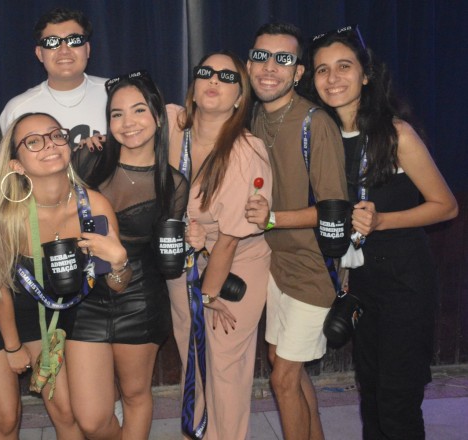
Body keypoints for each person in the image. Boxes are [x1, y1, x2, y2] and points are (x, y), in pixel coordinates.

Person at [304, 26, 458, 439]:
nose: (332, 78)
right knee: (370, 395)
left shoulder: (395, 134)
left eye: (344, 66)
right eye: (322, 69)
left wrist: (382, 221)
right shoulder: (323, 137)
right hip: (362, 282)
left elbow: (446, 205)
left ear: (366, 74)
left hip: (404, 280)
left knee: (396, 401)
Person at [0, 111, 130, 440]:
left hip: (50, 314)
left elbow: (117, 286)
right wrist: (13, 347)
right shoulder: (6, 215)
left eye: (56, 135)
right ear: (16, 164)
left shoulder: (94, 207)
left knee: (68, 411)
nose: (50, 144)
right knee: (11, 416)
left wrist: (120, 264)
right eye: (33, 142)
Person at [66, 71, 188, 439]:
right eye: (117, 114)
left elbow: (166, 251)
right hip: (85, 296)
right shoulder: (87, 161)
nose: (127, 122)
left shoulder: (173, 184)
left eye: (138, 110)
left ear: (158, 117)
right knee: (91, 419)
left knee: (135, 395)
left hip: (139, 297)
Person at [244, 22, 348, 440]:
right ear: (249, 64)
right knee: (282, 363)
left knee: (283, 378)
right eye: (261, 56)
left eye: (283, 59)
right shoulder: (253, 115)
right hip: (275, 264)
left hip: (312, 268)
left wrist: (272, 218)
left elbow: (333, 210)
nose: (270, 67)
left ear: (298, 71)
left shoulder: (314, 123)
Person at [165, 51, 273, 440]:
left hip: (235, 262)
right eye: (206, 73)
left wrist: (209, 295)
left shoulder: (246, 151)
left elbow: (229, 239)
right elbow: (125, 121)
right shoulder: (172, 125)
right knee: (192, 356)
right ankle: (196, 432)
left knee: (225, 367)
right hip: (184, 258)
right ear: (193, 88)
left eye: (228, 77)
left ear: (240, 98)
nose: (214, 80)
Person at [0, 7, 107, 142]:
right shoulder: (17, 109)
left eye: (74, 40)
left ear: (87, 49)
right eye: (52, 42)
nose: (64, 50)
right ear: (39, 53)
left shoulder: (114, 93)